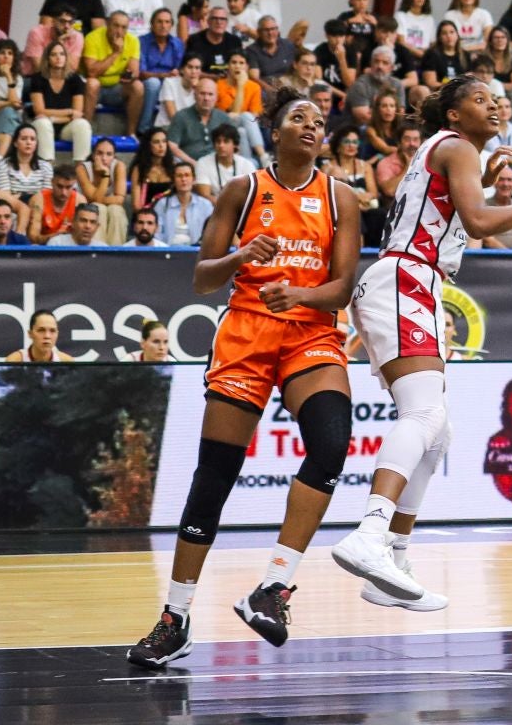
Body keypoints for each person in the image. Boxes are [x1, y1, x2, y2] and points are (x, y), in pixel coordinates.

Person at [127, 89, 362, 667]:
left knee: (332, 445)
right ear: (274, 132)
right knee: (215, 477)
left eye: (317, 120)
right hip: (247, 335)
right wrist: (241, 257)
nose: (311, 125)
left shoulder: (341, 197)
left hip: (310, 331)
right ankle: (174, 619)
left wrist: (301, 294)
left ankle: (274, 586)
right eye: (298, 118)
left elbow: (344, 286)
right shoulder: (244, 189)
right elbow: (203, 278)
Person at [331, 76, 512, 611]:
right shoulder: (457, 146)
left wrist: (481, 177)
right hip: (405, 279)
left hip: (414, 281)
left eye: (498, 99)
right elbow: (480, 221)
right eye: (480, 98)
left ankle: (393, 555)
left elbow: (448, 211)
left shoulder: (451, 152)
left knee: (437, 432)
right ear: (455, 116)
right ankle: (370, 534)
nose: (495, 105)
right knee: (423, 418)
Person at [6, 309, 72, 362]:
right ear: (30, 334)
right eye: (41, 330)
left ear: (57, 334)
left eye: (52, 331)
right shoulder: (15, 360)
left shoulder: (66, 361)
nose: (47, 336)